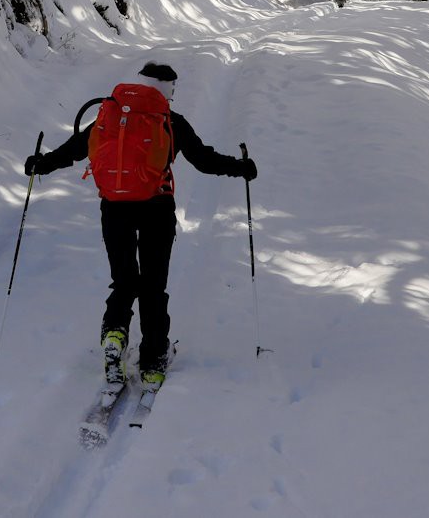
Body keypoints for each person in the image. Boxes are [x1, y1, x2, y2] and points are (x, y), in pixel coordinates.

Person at [25, 61, 257, 391]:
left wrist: (41, 164)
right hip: (156, 209)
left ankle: (116, 336)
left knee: (123, 281)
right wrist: (241, 167)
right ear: (168, 90)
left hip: (114, 209)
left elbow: (75, 149)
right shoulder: (169, 122)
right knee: (152, 286)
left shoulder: (109, 117)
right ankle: (152, 363)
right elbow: (204, 160)